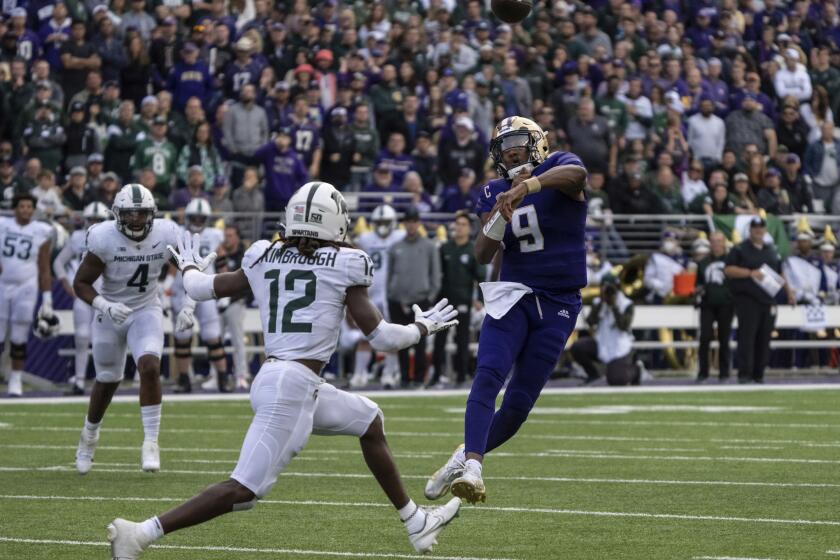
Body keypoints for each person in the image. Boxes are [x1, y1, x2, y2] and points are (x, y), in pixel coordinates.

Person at [107, 181, 461, 559]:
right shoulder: (347, 262)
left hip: (283, 379)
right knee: (242, 490)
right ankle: (142, 533)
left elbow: (198, 288)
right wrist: (422, 328)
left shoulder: (265, 255)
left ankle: (415, 523)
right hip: (290, 385)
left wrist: (190, 266)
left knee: (369, 421)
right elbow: (383, 338)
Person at [425, 116, 587, 504]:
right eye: (504, 147)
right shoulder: (493, 190)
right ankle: (475, 468)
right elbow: (482, 253)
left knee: (517, 406)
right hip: (514, 295)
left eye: (518, 142)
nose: (512, 151)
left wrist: (527, 186)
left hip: (560, 301)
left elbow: (576, 176)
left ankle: (461, 456)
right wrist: (500, 211)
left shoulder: (559, 165)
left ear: (537, 142)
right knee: (488, 375)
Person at [72, 184, 183, 474]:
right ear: (117, 214)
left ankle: (150, 442)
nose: (136, 219)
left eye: (142, 213)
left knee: (149, 366)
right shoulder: (103, 237)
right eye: (130, 213)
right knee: (107, 380)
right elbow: (80, 283)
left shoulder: (166, 233)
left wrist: (191, 304)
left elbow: (189, 269)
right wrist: (104, 306)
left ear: (152, 214)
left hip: (146, 309)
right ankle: (89, 435)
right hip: (110, 312)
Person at [724, 216, 796, 384]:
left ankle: (759, 374)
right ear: (750, 230)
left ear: (765, 230)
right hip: (747, 299)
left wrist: (789, 292)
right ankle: (745, 374)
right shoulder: (740, 249)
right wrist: (750, 273)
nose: (758, 230)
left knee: (764, 338)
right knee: (747, 337)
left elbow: (780, 272)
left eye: (761, 227)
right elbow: (728, 270)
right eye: (755, 228)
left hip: (768, 299)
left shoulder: (771, 250)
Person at [169, 198, 230, 393]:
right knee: (182, 336)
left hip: (206, 289)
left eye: (200, 217)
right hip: (182, 289)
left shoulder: (214, 235)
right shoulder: (177, 233)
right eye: (194, 217)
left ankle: (222, 378)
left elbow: (221, 261)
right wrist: (165, 289)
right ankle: (184, 379)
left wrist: (225, 292)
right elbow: (170, 264)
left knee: (212, 335)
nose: (197, 220)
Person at [0, 193, 56, 396]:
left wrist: (47, 298)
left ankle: (15, 378)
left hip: (26, 286)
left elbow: (44, 265)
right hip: (3, 283)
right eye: (22, 206)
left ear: (33, 210)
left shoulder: (41, 230)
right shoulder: (3, 225)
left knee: (19, 335)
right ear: (14, 208)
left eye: (29, 207)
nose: (25, 210)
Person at [53, 201, 110, 395]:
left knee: (103, 338)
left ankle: (104, 380)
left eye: (98, 220)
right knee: (82, 337)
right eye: (91, 219)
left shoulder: (114, 238)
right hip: (83, 293)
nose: (94, 223)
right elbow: (58, 263)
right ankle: (79, 381)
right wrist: (67, 285)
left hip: (104, 294)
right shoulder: (78, 237)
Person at [352, 204, 405, 388]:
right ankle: (359, 373)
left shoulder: (401, 237)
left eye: (386, 222)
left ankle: (389, 374)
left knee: (392, 336)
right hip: (371, 293)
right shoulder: (366, 239)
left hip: (390, 293)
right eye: (379, 222)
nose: (382, 225)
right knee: (363, 336)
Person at [387, 206, 441, 387]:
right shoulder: (395, 247)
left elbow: (436, 275)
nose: (411, 225)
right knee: (401, 342)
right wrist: (391, 295)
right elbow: (389, 275)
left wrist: (430, 297)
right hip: (398, 301)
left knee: (420, 342)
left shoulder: (429, 246)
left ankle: (419, 379)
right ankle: (404, 378)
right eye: (408, 222)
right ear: (404, 224)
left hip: (420, 300)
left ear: (419, 223)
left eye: (414, 222)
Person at [430, 211, 484, 388]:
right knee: (439, 340)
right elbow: (437, 275)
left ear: (469, 228)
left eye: (463, 224)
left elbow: (481, 277)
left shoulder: (472, 249)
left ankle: (461, 377)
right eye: (457, 224)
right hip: (444, 302)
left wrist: (480, 300)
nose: (459, 227)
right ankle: (437, 375)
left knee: (462, 340)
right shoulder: (445, 248)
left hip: (463, 300)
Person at [569, 274, 639, 385]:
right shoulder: (598, 302)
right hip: (601, 343)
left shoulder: (626, 304)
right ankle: (593, 374)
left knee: (617, 380)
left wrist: (614, 305)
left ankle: (636, 370)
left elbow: (624, 326)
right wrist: (602, 302)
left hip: (619, 348)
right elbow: (590, 322)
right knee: (578, 347)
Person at [695, 231, 734, 383]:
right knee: (704, 338)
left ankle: (724, 373)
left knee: (724, 339)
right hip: (707, 304)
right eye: (713, 241)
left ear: (724, 242)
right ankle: (703, 372)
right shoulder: (703, 262)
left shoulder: (731, 260)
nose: (716, 244)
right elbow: (698, 282)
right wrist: (698, 289)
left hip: (726, 304)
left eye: (719, 241)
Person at [214, 224, 250, 390]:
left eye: (230, 235)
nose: (226, 239)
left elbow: (242, 281)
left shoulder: (243, 255)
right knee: (215, 341)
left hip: (235, 302)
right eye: (225, 235)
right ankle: (217, 376)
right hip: (218, 302)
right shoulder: (217, 253)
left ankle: (241, 375)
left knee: (238, 341)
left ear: (237, 237)